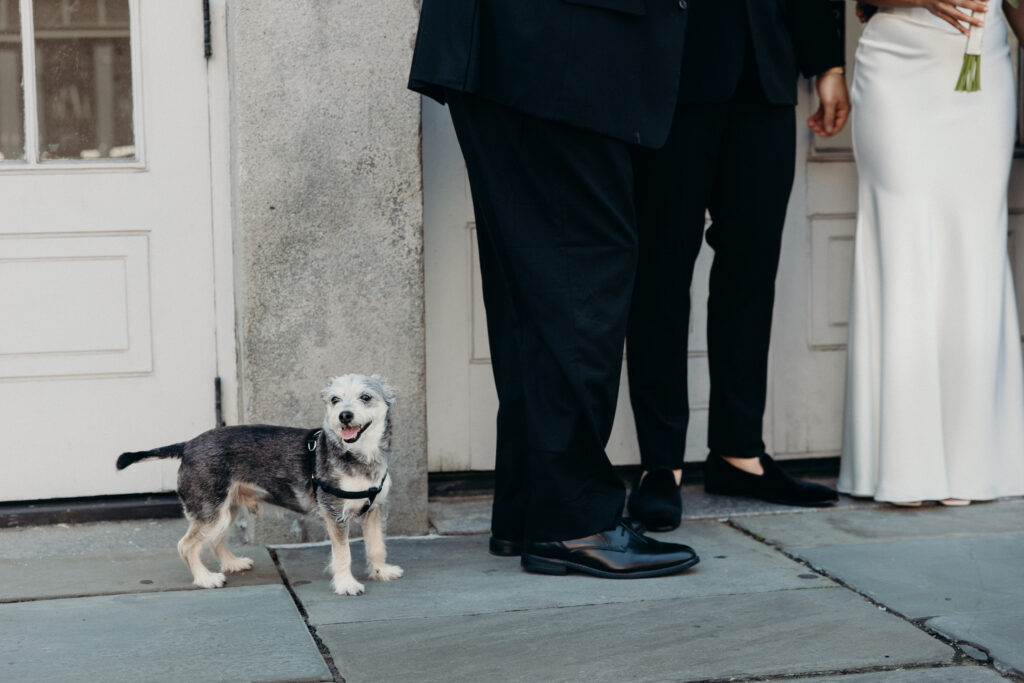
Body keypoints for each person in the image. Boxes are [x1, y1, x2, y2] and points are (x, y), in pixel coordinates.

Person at [408, 0, 847, 578]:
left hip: (524, 48)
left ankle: (528, 513)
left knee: (535, 293)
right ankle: (573, 522)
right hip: (557, 47)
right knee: (579, 277)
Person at [625, 2, 850, 532]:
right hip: (669, 75)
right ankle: (662, 463)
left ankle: (738, 454)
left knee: (751, 272)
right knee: (660, 274)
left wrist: (828, 65)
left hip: (765, 72)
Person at [839, 0, 1024, 506]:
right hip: (899, 63)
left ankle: (973, 464)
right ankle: (904, 465)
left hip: (982, 73)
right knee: (902, 248)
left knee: (974, 248)